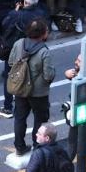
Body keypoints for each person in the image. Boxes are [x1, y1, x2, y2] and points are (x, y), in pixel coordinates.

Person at [9, 18, 55, 156]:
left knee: (20, 118)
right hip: (39, 93)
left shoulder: (18, 44)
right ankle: (38, 145)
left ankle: (19, 146)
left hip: (20, 89)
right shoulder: (44, 52)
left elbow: (11, 62)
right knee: (40, 120)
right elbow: (48, 75)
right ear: (42, 34)